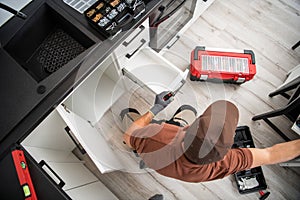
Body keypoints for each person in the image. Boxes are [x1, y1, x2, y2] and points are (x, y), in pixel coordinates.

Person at [123, 91, 300, 182]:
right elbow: (270, 154)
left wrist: (156, 109)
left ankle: (176, 120)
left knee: (185, 112)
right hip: (173, 168)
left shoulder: (158, 136)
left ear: (186, 131)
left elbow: (128, 137)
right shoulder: (225, 163)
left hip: (155, 152)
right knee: (186, 113)